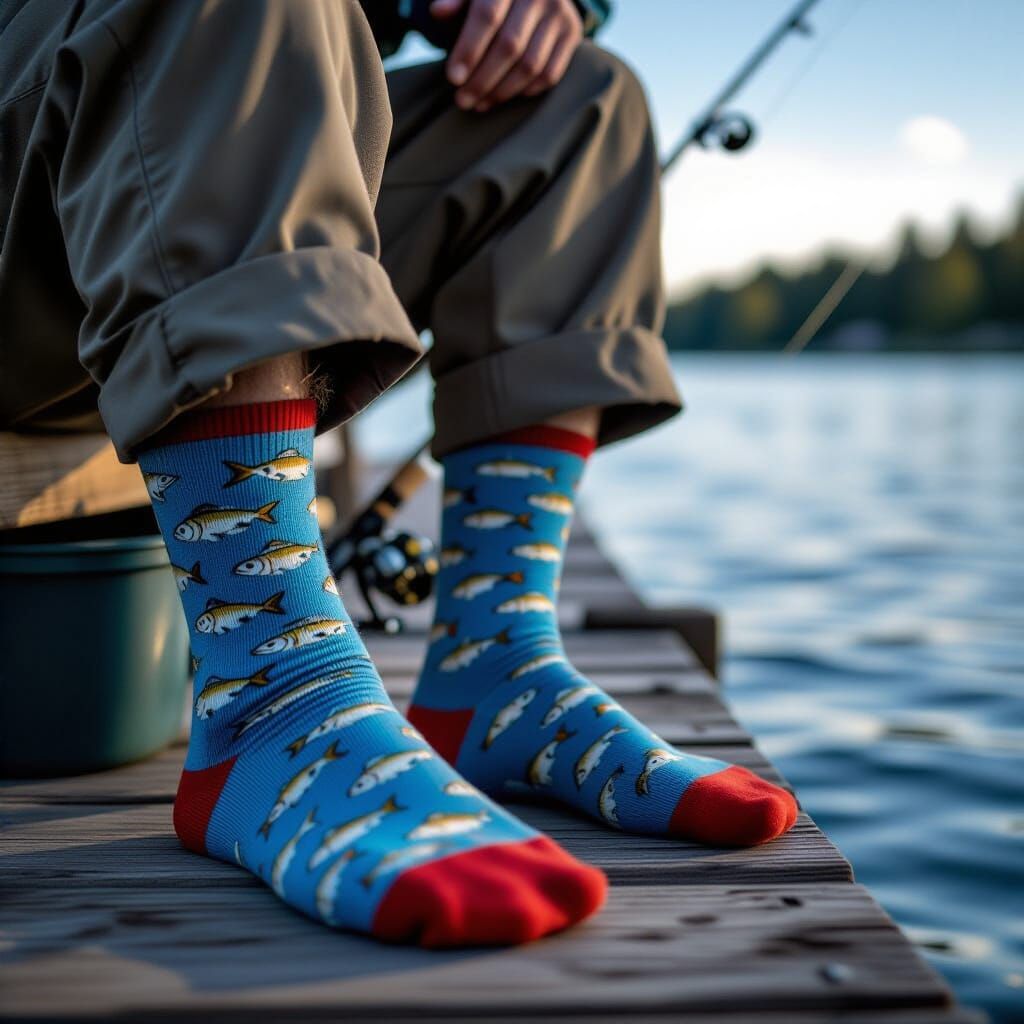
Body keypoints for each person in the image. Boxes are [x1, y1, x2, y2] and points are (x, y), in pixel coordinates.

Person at [0, 0, 797, 948]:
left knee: (581, 102)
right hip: (51, 172)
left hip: (181, 185)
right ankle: (272, 696)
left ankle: (495, 668)